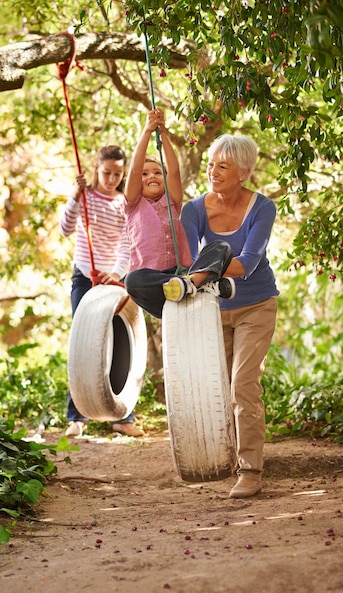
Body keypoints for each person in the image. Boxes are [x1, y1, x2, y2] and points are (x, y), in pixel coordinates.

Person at [127, 133, 279, 499]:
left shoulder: (262, 208)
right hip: (212, 309)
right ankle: (222, 459)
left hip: (255, 305)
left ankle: (251, 471)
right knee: (218, 390)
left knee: (243, 386)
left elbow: (249, 261)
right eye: (211, 164)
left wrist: (200, 276)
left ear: (243, 172)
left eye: (222, 166)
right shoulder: (194, 209)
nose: (213, 172)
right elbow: (185, 255)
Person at [60, 145, 144, 438]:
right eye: (107, 172)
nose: (112, 178)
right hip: (85, 275)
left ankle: (123, 416)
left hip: (112, 279)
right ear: (97, 169)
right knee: (83, 345)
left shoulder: (124, 203)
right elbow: (65, 229)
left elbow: (127, 245)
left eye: (118, 173)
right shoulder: (84, 197)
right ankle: (77, 416)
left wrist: (116, 274)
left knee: (120, 337)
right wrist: (74, 195)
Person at [124, 108, 234, 317]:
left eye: (158, 172)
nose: (151, 176)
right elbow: (134, 171)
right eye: (145, 174)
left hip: (183, 274)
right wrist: (147, 131)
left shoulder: (172, 202)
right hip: (156, 284)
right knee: (132, 281)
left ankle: (192, 284)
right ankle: (205, 286)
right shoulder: (133, 205)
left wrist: (163, 132)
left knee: (221, 247)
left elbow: (174, 171)